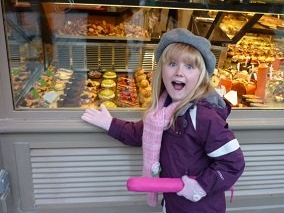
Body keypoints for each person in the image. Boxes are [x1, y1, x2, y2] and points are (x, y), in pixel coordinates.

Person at [81, 28, 245, 213]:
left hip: (200, 206)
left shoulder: (204, 116)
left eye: (189, 67)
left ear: (201, 77)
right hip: (173, 203)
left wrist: (200, 186)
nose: (179, 72)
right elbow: (139, 134)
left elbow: (233, 163)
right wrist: (110, 123)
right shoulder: (163, 110)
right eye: (172, 64)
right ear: (161, 69)